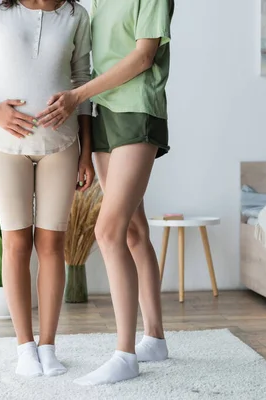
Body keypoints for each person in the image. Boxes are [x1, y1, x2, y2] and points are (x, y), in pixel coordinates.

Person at [36, 0, 174, 386]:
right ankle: (156, 338)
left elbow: (144, 57)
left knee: (107, 231)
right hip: (103, 117)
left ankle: (125, 354)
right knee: (132, 231)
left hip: (136, 111)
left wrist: (77, 96)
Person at [0, 0, 94, 378]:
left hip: (61, 146)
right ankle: (25, 348)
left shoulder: (76, 16)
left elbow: (83, 84)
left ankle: (49, 346)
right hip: (6, 148)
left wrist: (85, 152)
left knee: (52, 244)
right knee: (16, 243)